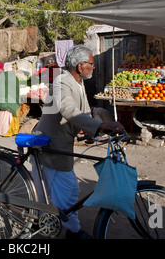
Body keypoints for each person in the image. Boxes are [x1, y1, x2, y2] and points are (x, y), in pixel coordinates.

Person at [31, 45, 125, 239]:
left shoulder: (77, 82)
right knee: (68, 189)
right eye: (91, 64)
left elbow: (82, 111)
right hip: (50, 143)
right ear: (81, 66)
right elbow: (67, 109)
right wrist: (98, 127)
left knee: (51, 189)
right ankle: (73, 231)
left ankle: (41, 219)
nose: (94, 67)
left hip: (61, 141)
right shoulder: (61, 82)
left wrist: (93, 128)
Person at [0, 67, 22, 136]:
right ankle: (13, 131)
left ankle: (3, 132)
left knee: (1, 116)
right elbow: (17, 90)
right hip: (12, 100)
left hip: (1, 101)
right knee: (11, 113)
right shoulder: (15, 77)